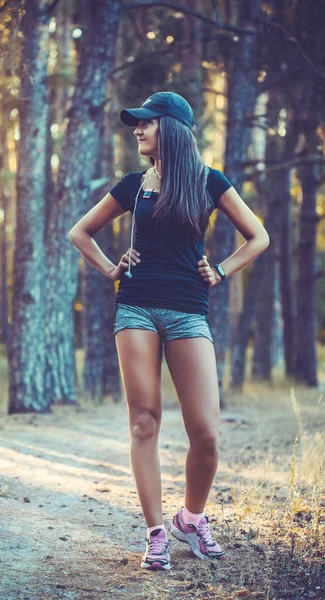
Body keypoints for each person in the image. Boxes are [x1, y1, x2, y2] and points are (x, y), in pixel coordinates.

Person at [68, 91, 270, 571]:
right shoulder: (134, 186)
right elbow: (81, 232)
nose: (137, 130)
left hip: (187, 311)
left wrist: (220, 270)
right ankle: (156, 533)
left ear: (173, 129)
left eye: (147, 123)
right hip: (135, 307)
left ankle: (191, 519)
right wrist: (110, 269)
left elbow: (258, 235)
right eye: (135, 124)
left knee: (206, 432)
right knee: (144, 422)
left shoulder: (207, 182)